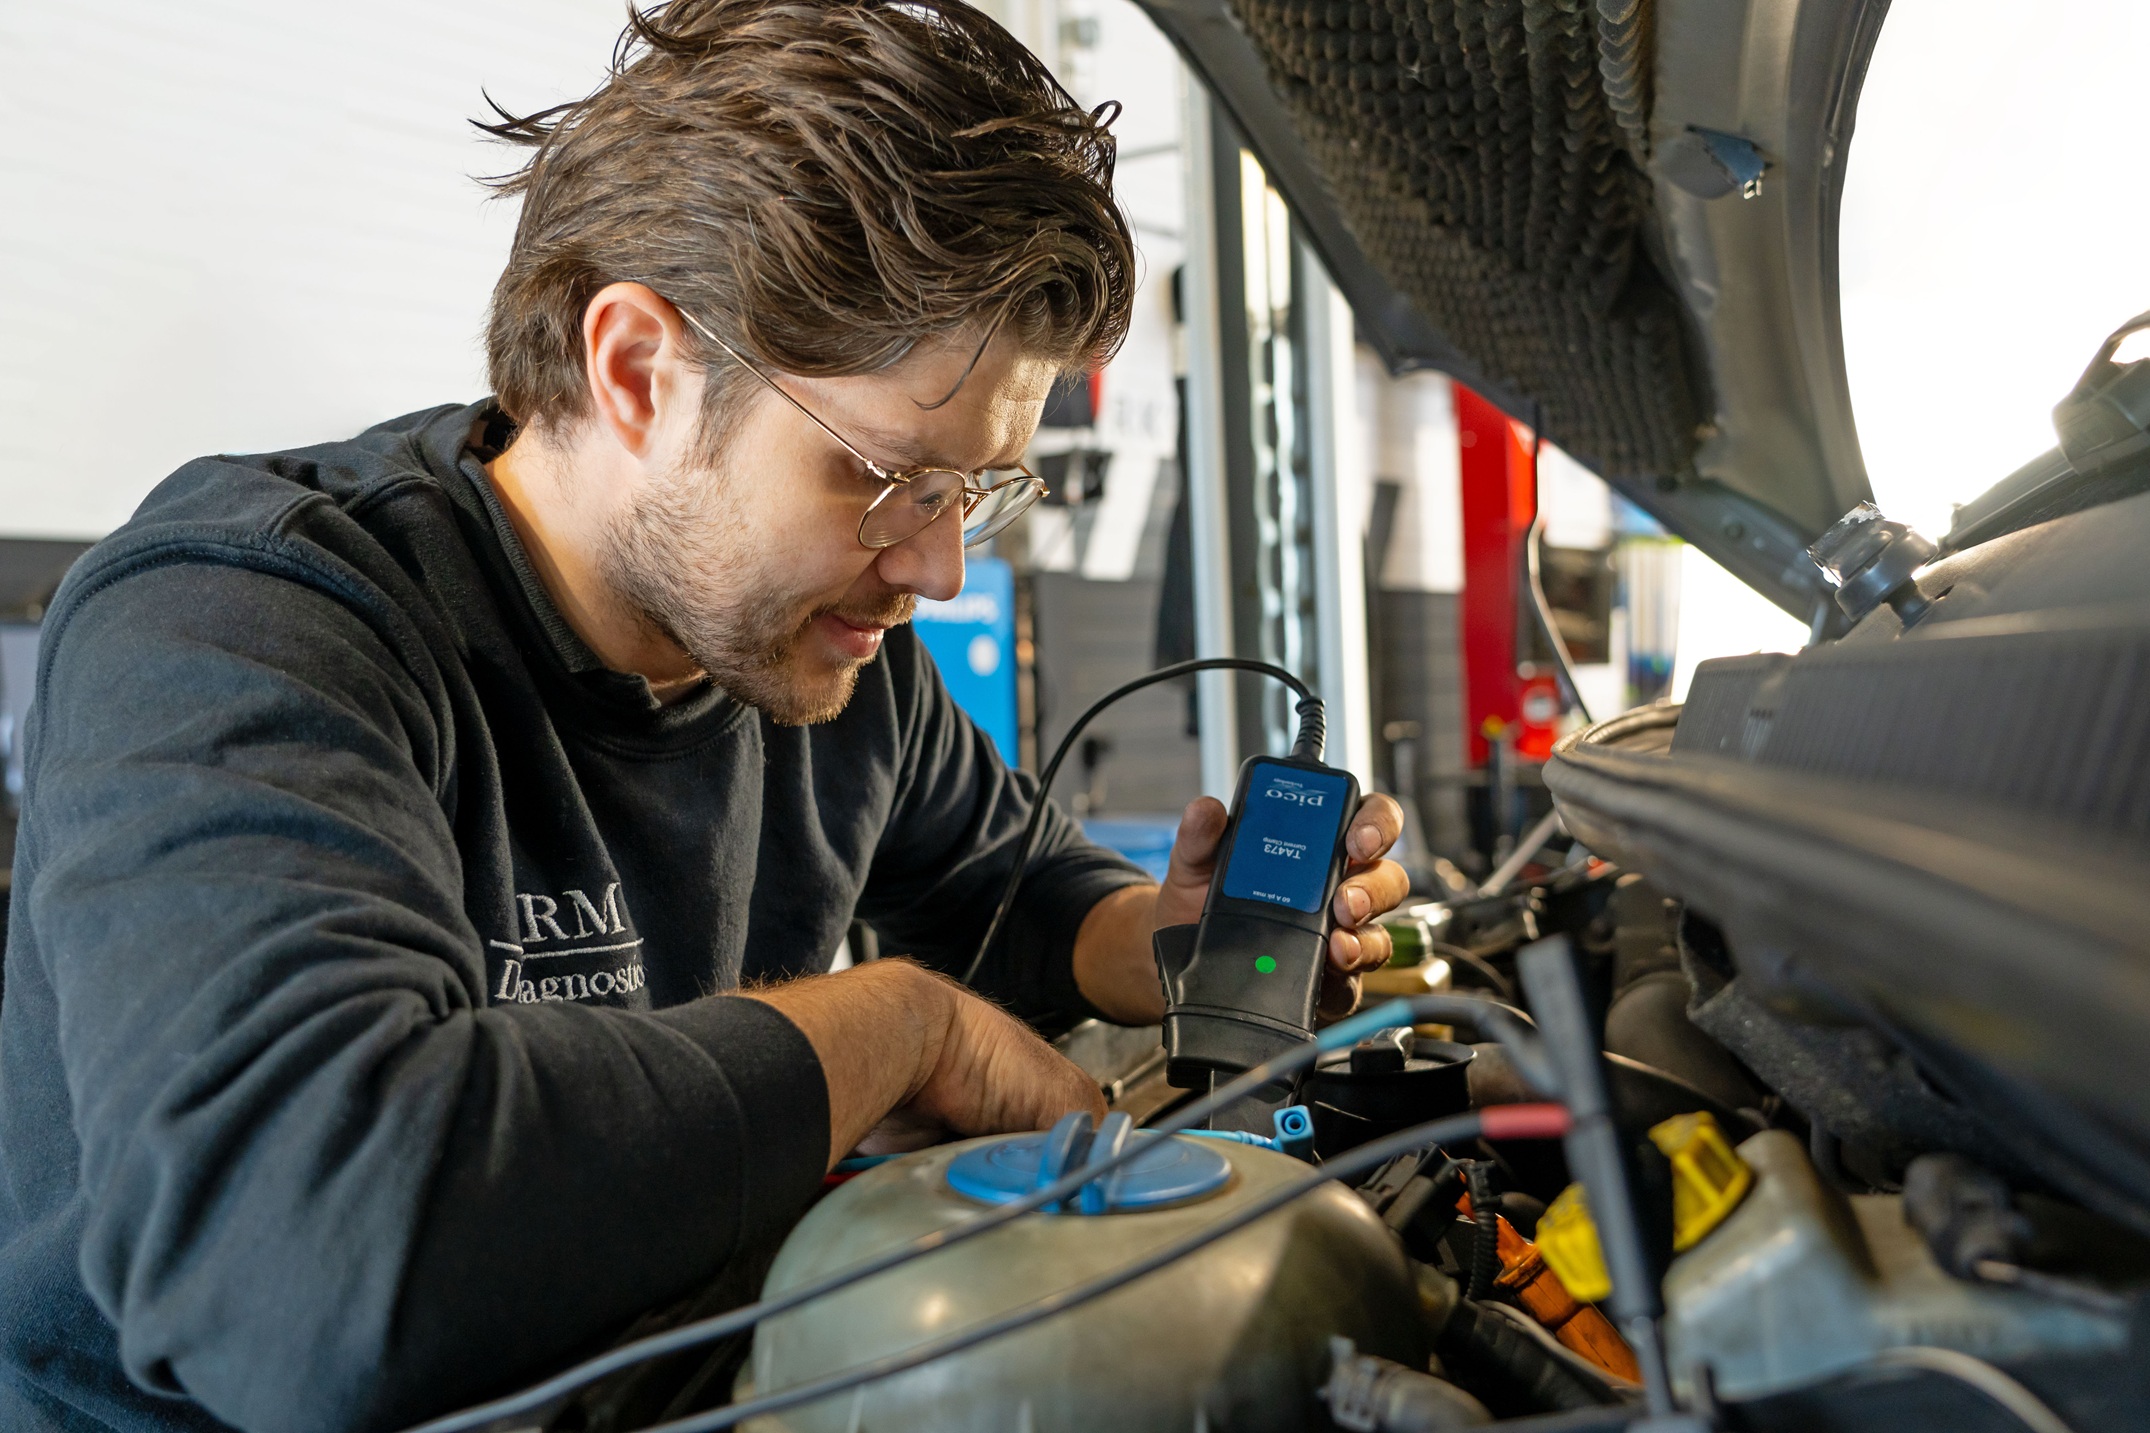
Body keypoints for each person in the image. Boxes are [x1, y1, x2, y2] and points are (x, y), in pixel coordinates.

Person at [0, 2, 1411, 1429]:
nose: (936, 565)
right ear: (636, 371)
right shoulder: (243, 626)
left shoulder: (818, 653)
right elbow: (303, 1272)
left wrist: (1169, 945)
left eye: (975, 490)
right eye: (888, 475)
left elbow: (1012, 886)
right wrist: (897, 1029)